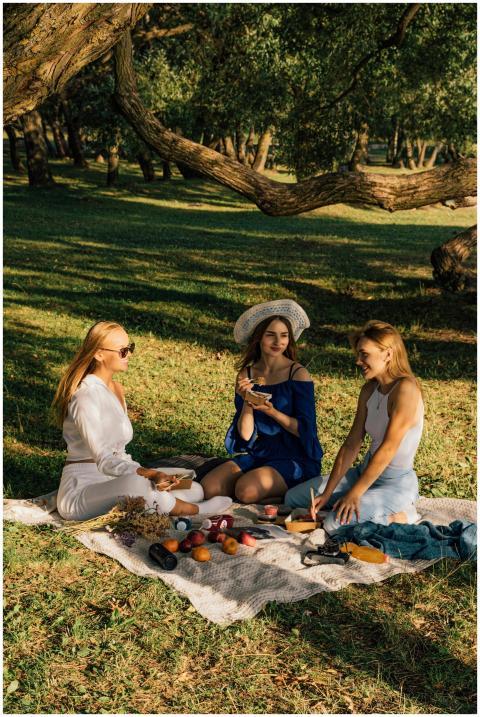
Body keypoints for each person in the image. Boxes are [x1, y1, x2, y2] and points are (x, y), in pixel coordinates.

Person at [53, 321, 232, 521]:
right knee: (138, 485)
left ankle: (165, 500)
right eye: (122, 351)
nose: (129, 354)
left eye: (130, 348)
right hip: (82, 489)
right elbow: (104, 460)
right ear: (98, 354)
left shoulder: (116, 389)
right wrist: (148, 474)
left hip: (116, 477)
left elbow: (119, 456)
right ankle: (194, 511)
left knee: (193, 488)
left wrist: (153, 476)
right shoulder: (85, 397)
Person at [285, 320, 423, 534]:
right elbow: (351, 444)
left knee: (333, 524)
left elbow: (388, 448)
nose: (358, 361)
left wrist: (355, 494)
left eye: (364, 354)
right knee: (293, 498)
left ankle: (404, 514)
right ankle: (356, 504)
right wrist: (329, 492)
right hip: (364, 471)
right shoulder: (369, 390)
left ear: (387, 354)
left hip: (394, 483)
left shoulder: (406, 389)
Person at [201, 300, 323, 503]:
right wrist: (247, 402)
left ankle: (292, 496)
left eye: (284, 336)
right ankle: (262, 492)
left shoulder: (298, 374)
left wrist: (272, 412)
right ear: (258, 338)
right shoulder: (247, 374)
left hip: (295, 456)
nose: (278, 342)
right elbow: (246, 435)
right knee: (209, 488)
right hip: (261, 452)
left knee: (245, 490)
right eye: (270, 335)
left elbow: (305, 430)